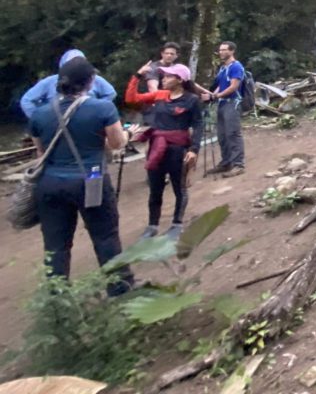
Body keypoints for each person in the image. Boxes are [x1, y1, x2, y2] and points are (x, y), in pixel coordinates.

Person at [28, 56, 133, 295]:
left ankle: (58, 302)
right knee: (105, 237)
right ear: (90, 82)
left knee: (56, 246)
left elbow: (42, 152)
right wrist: (129, 136)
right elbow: (116, 143)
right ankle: (120, 291)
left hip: (50, 184)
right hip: (90, 180)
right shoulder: (102, 108)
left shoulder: (40, 114)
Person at [125, 63, 203, 239]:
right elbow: (132, 99)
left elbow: (198, 124)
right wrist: (137, 76)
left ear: (180, 80)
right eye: (164, 76)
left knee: (179, 187)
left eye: (168, 76)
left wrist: (194, 149)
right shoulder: (159, 95)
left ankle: (177, 223)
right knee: (155, 188)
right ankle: (152, 225)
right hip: (156, 147)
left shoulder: (191, 100)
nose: (164, 79)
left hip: (178, 149)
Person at [20, 49, 117, 121]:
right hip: (57, 120)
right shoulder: (49, 82)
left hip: (87, 118)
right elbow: (26, 100)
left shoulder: (94, 79)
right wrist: (39, 118)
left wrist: (98, 109)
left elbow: (110, 93)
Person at [203, 41, 245, 177]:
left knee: (233, 133)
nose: (221, 52)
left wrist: (216, 96)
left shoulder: (236, 67)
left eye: (224, 50)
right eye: (220, 50)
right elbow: (219, 86)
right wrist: (211, 96)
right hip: (222, 103)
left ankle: (238, 164)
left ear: (232, 51)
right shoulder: (222, 68)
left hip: (232, 102)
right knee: (222, 135)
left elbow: (234, 86)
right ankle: (226, 162)